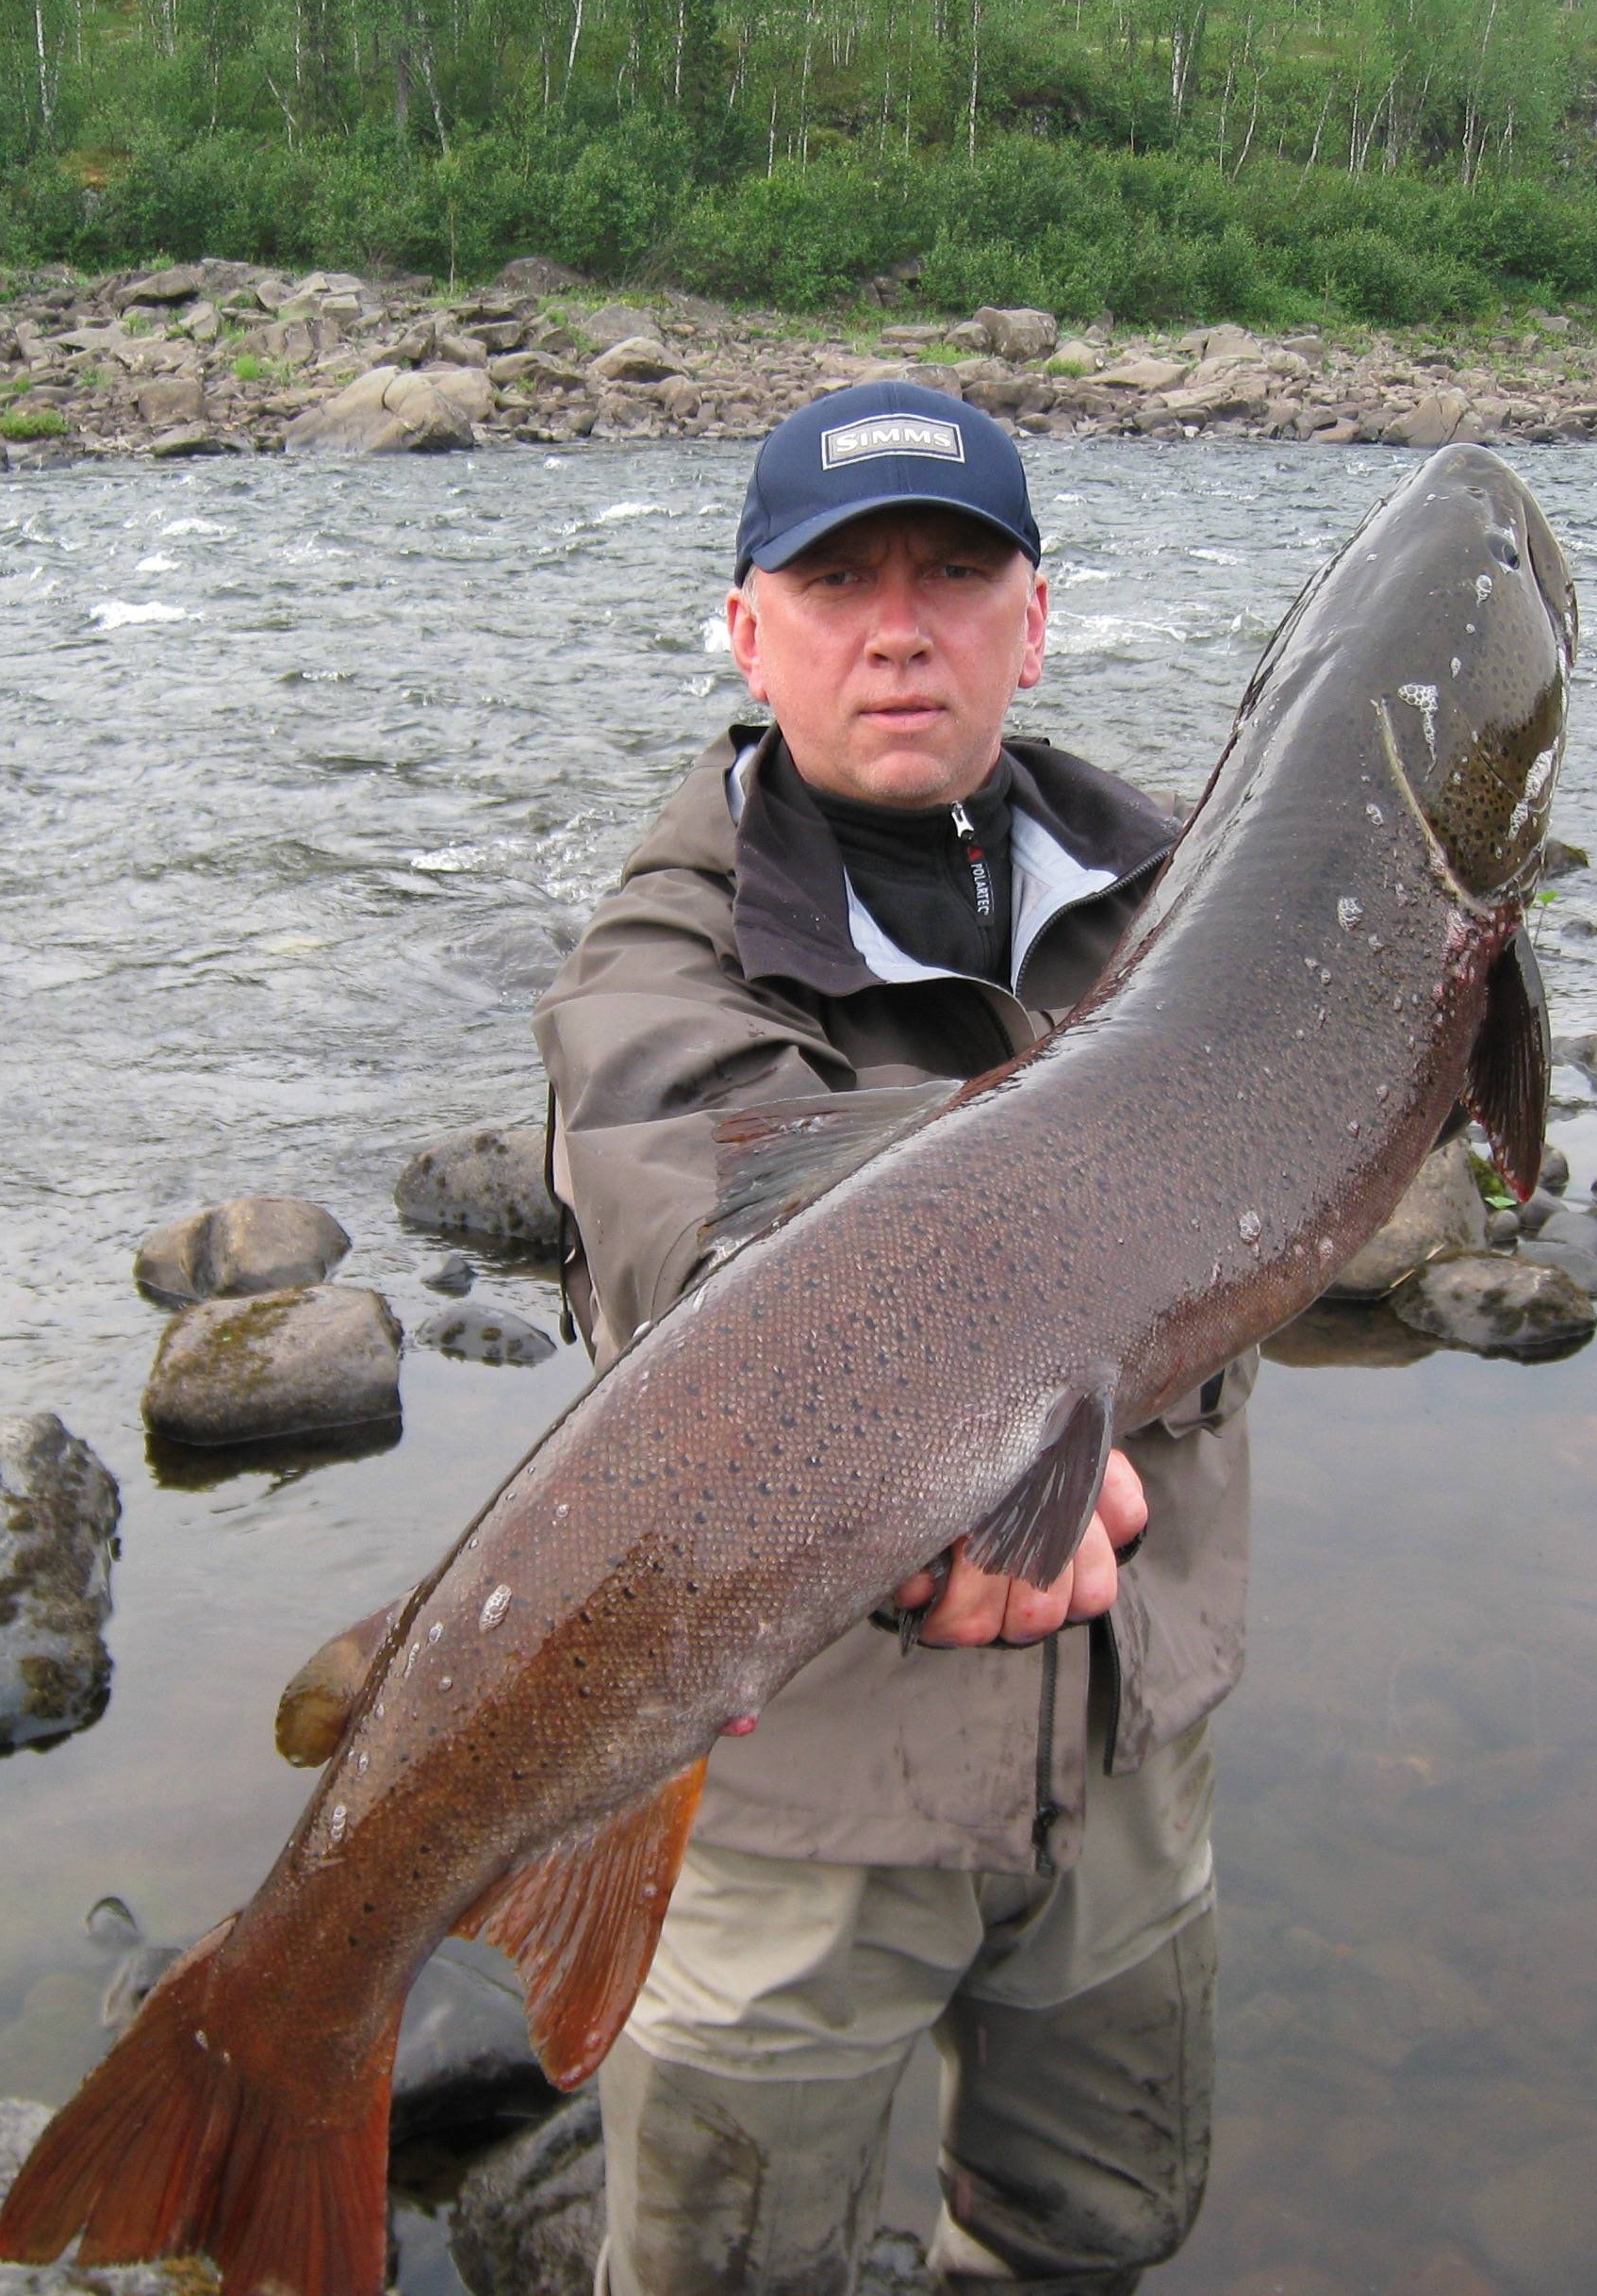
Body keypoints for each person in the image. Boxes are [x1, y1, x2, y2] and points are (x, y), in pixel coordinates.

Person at [530, 381, 1253, 2295]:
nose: (900, 623)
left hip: (1126, 1744)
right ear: (750, 628)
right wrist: (909, 1512)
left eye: (953, 570)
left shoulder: (1200, 910)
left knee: (1092, 2230)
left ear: (1037, 615)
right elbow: (697, 1250)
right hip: (802, 1810)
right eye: (839, 579)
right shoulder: (660, 973)